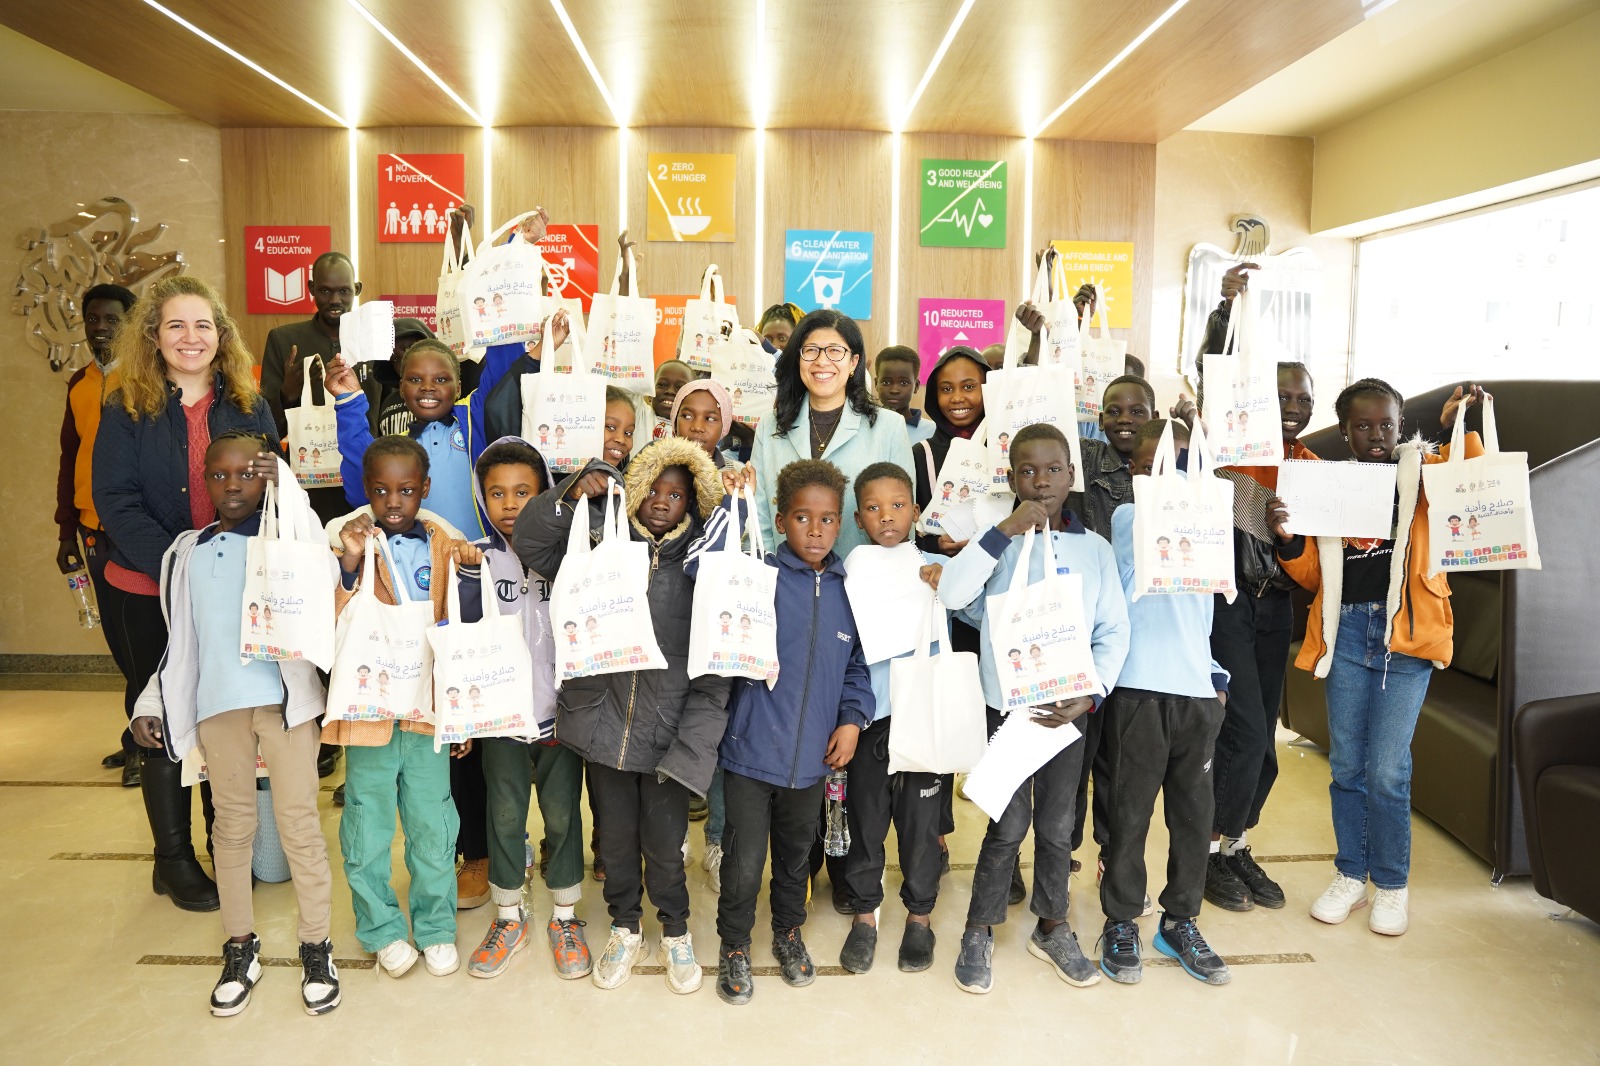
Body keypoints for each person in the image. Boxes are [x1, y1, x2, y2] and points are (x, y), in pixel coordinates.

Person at [1267, 380, 1487, 937]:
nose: (1375, 435)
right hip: (1345, 632)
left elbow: (1469, 479)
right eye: (1362, 426)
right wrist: (1288, 540)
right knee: (1347, 765)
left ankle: (1391, 884)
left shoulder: (1423, 471)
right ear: (1345, 431)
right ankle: (1351, 875)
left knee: (1387, 769)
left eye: (1386, 424)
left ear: (1399, 425)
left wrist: (1457, 426)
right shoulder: (1331, 484)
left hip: (1404, 637)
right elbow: (1315, 575)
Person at [130, 432, 338, 1016]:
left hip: (284, 705)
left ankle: (316, 946)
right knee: (232, 827)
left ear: (268, 479)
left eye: (248, 473)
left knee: (299, 825)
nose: (233, 485)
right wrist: (151, 703)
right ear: (204, 480)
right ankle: (240, 947)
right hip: (218, 707)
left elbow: (323, 571)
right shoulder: (187, 553)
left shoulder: (287, 539)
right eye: (219, 475)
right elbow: (181, 643)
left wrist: (289, 486)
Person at [516, 436, 731, 994]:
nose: (661, 501)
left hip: (667, 737)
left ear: (692, 503)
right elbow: (530, 540)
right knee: (613, 842)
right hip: (603, 728)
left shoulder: (704, 569)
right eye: (652, 489)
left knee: (665, 847)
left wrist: (692, 749)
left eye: (676, 495)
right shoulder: (596, 544)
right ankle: (625, 926)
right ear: (633, 491)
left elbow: (715, 672)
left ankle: (675, 928)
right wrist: (570, 492)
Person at [93, 275, 278, 913]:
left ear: (221, 335)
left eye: (203, 325)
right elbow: (115, 501)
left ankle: (224, 844)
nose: (190, 338)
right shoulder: (125, 406)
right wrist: (180, 564)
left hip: (229, 589)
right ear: (154, 335)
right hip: (146, 587)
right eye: (175, 325)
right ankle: (171, 860)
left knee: (221, 714)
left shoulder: (249, 404)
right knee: (161, 718)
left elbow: (270, 488)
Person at [936, 423, 1129, 995]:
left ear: (1071, 476)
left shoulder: (1094, 550)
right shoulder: (998, 541)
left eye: (1052, 470)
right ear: (1011, 478)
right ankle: (979, 928)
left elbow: (1112, 629)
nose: (1041, 481)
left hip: (1068, 709)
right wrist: (1004, 530)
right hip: (1009, 708)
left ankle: (1052, 925)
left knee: (1057, 824)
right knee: (1008, 822)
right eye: (1027, 471)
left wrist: (1091, 693)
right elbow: (952, 594)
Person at [707, 460, 872, 1005]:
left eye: (827, 520)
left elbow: (857, 666)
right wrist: (733, 505)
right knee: (743, 862)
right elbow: (708, 576)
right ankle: (734, 944)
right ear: (780, 521)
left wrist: (851, 720)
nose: (816, 530)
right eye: (803, 518)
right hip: (750, 754)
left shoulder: (849, 591)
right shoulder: (758, 576)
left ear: (841, 523)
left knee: (796, 857)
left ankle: (787, 932)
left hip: (812, 761)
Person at [327, 435, 470, 977]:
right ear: (366, 491)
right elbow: (329, 618)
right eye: (381, 490)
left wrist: (459, 714)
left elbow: (460, 632)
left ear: (424, 489)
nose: (393, 501)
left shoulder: (444, 546)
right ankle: (381, 928)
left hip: (426, 713)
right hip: (370, 716)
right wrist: (349, 562)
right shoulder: (350, 544)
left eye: (406, 490)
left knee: (433, 825)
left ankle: (436, 926)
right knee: (366, 827)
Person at [1098, 419, 1231, 987]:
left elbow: (1206, 611)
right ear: (1134, 472)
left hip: (1197, 693)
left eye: (1182, 461)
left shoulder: (1209, 521)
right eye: (1154, 464)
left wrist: (1215, 678)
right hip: (1140, 690)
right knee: (1129, 816)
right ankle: (1121, 919)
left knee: (1193, 818)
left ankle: (1180, 921)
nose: (1170, 473)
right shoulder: (1130, 518)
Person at [453, 438, 592, 981]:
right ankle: (508, 916)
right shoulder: (476, 559)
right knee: (504, 815)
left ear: (545, 495)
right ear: (481, 497)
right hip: (502, 721)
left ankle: (566, 917)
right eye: (497, 493)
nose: (510, 504)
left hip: (563, 716)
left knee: (562, 815)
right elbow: (462, 640)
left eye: (523, 493)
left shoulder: (571, 555)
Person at [1203, 360, 1319, 914]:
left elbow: (1314, 576)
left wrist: (1288, 539)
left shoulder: (1313, 470)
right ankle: (1205, 853)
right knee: (1243, 731)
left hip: (1277, 610)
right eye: (1281, 397)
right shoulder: (1226, 457)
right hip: (1227, 603)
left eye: (1303, 399)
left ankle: (1235, 844)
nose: (1292, 409)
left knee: (1264, 740)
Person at [838, 462, 946, 973]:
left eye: (898, 505)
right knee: (866, 820)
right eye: (874, 508)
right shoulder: (850, 570)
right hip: (869, 720)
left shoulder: (933, 566)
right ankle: (865, 915)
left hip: (922, 716)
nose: (887, 516)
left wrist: (947, 582)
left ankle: (920, 917)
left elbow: (972, 609)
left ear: (916, 511)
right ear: (858, 518)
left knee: (922, 826)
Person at [909, 345, 990, 884]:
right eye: (946, 388)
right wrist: (934, 541)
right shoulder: (923, 453)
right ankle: (936, 833)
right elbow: (908, 526)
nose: (957, 397)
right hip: (940, 603)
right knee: (940, 715)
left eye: (969, 385)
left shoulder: (1006, 448)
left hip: (994, 605)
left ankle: (1001, 848)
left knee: (992, 722)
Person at [55, 282, 141, 784]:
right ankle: (137, 735)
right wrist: (66, 529)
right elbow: (70, 458)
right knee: (118, 639)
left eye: (112, 319)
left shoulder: (146, 378)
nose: (101, 327)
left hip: (137, 530)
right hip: (92, 530)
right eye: (93, 319)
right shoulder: (80, 383)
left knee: (141, 639)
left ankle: (146, 744)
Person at [750, 309, 913, 559]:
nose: (822, 361)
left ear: (854, 362)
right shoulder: (770, 425)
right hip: (782, 576)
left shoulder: (889, 427)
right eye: (811, 350)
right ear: (798, 359)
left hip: (861, 577)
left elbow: (903, 521)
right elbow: (759, 514)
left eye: (835, 351)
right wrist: (768, 570)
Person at [258, 252, 360, 524]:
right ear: (312, 288)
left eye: (344, 291)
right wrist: (287, 395)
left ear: (357, 290)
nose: (335, 300)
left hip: (367, 479)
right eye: (325, 290)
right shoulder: (284, 340)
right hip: (308, 487)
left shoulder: (371, 341)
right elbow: (266, 431)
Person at [873, 345, 933, 445]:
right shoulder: (865, 427)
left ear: (916, 386)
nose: (894, 390)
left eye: (903, 383)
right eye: (886, 382)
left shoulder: (932, 432)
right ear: (876, 384)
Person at [650, 360, 696, 440]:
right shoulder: (641, 415)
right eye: (662, 384)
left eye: (680, 387)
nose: (670, 391)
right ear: (650, 392)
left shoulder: (694, 428)